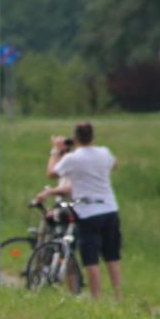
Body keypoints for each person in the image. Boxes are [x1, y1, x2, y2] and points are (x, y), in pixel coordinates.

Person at [47, 122, 120, 299]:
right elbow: (114, 164)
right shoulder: (104, 152)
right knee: (112, 256)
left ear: (75, 138)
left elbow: (52, 173)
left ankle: (97, 297)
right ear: (92, 136)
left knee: (91, 258)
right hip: (109, 208)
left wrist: (55, 150)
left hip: (87, 211)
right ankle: (118, 295)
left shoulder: (73, 158)